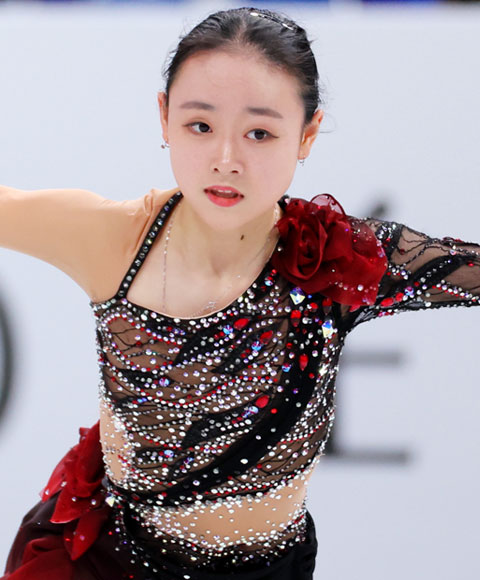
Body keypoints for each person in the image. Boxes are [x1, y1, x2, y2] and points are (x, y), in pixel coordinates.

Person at [1, 6, 479, 580]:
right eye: (200, 126)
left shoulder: (342, 259)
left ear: (306, 134)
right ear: (164, 117)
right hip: (113, 562)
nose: (226, 161)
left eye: (259, 133)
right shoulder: (114, 241)